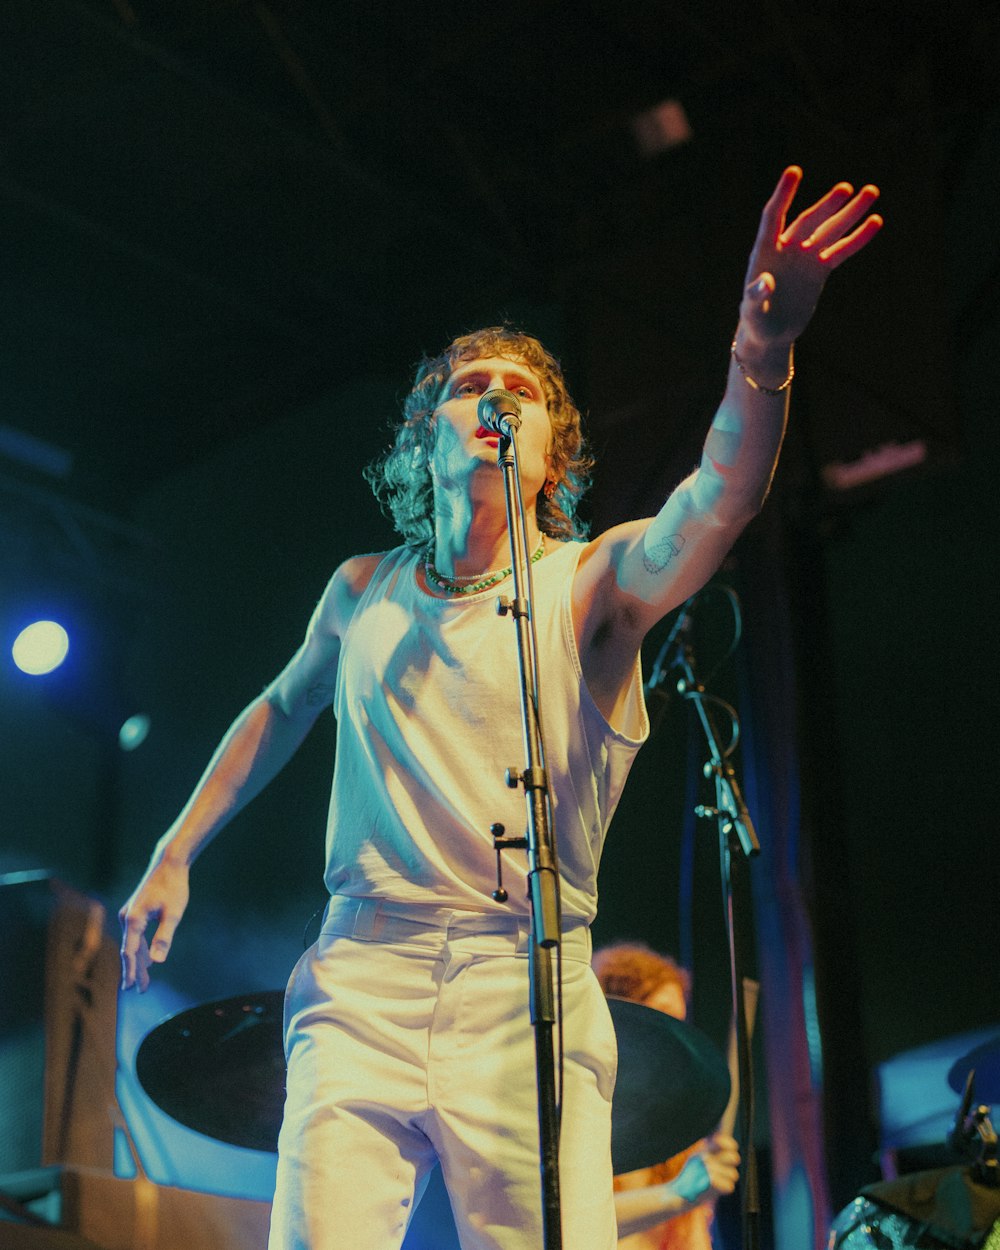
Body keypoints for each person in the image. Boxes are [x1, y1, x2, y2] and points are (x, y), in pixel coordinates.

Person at [119, 167, 882, 1250]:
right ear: (425, 438)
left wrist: (761, 356)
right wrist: (175, 847)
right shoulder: (358, 588)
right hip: (357, 969)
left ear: (549, 451)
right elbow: (279, 708)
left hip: (525, 976)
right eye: (468, 385)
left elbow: (718, 500)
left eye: (518, 392)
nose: (493, 398)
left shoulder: (593, 583)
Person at [593, 942, 740, 1250]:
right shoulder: (580, 1120)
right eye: (663, 1018)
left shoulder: (678, 1143)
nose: (676, 1040)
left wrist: (695, 1191)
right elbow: (572, 1219)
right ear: (620, 1020)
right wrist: (677, 1193)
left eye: (679, 1022)